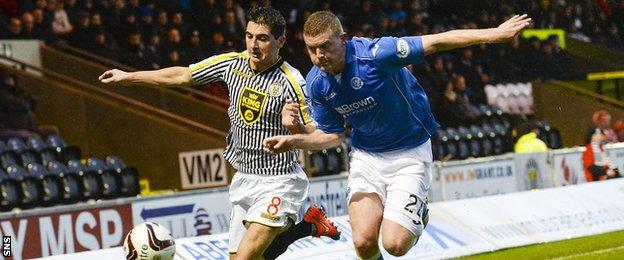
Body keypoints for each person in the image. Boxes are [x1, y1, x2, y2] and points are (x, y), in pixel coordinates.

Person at [263, 11, 531, 259]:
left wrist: (494, 34)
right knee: (364, 242)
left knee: (395, 245)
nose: (319, 55)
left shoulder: (377, 54)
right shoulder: (317, 83)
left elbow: (436, 42)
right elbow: (331, 136)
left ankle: (420, 211)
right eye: (312, 49)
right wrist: (295, 134)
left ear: (343, 39)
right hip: (367, 156)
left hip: (410, 152)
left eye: (325, 46)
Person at [98, 7, 339, 260]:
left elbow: (319, 134)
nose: (253, 45)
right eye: (249, 36)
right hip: (244, 178)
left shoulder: (292, 81)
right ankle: (309, 225)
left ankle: (307, 225)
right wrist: (130, 76)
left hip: (280, 180)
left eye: (262, 38)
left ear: (280, 41)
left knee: (246, 257)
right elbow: (182, 74)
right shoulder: (231, 64)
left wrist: (296, 129)